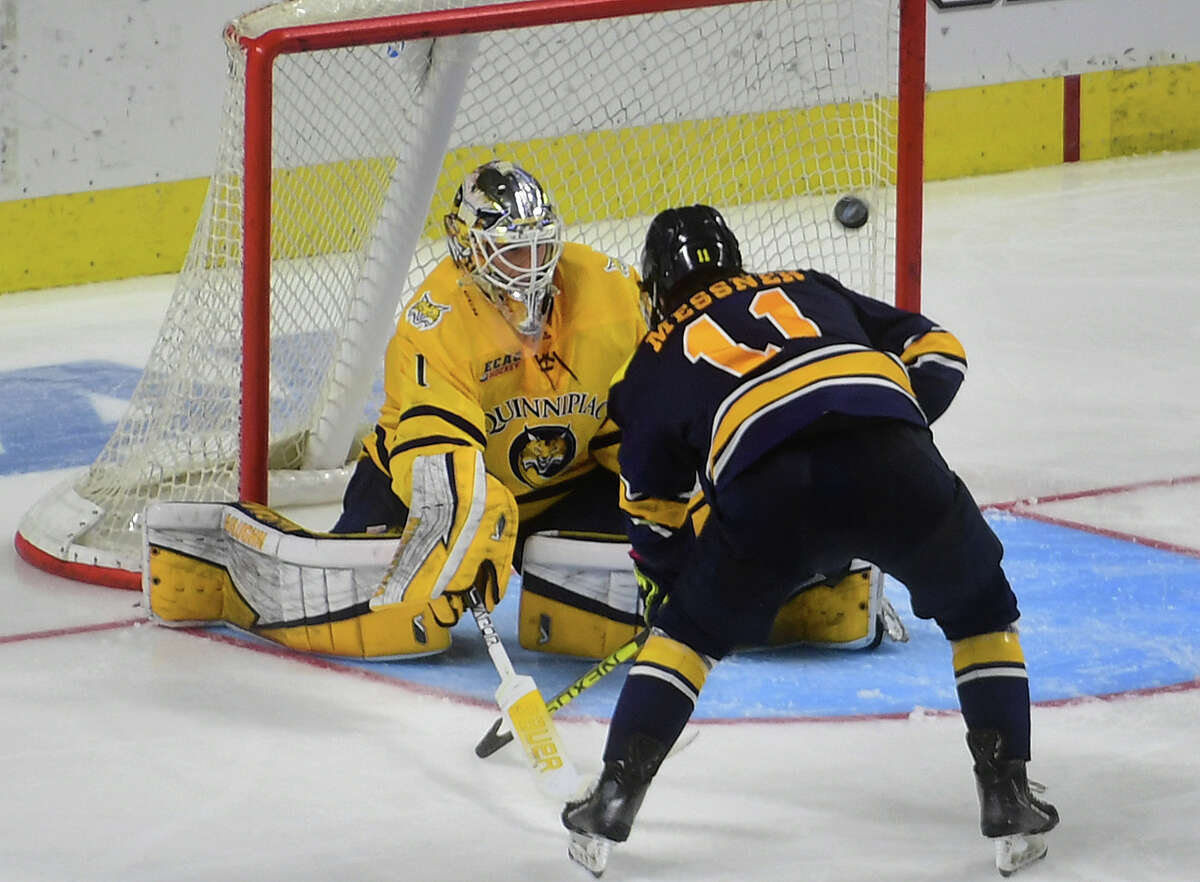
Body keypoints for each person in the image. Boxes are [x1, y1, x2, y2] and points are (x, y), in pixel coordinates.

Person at [562, 205, 1058, 877]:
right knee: (981, 613)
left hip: (772, 497)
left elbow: (651, 507)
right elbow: (940, 347)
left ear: (653, 289)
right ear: (734, 258)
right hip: (896, 466)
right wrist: (897, 418)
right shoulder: (808, 284)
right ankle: (1007, 793)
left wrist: (671, 581)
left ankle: (616, 797)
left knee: (684, 640)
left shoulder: (649, 360)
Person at [329, 159, 649, 657]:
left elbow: (644, 418)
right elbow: (434, 455)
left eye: (539, 247)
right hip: (417, 487)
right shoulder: (435, 323)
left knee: (652, 567)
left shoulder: (612, 293)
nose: (531, 265)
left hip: (566, 490)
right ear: (468, 249)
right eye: (512, 252)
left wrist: (671, 496)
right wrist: (467, 512)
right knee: (364, 605)